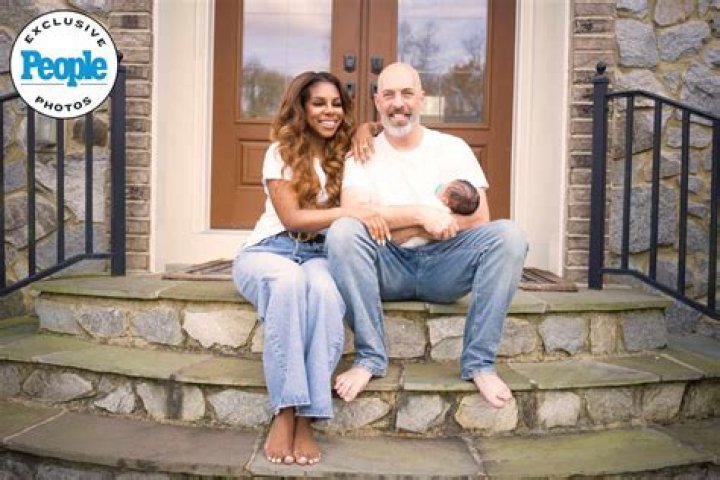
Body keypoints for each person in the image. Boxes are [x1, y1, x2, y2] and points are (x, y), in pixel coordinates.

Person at [326, 62, 528, 409]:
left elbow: (480, 217)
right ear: (377, 101)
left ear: (421, 98)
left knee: (509, 236)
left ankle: (480, 364)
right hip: (386, 264)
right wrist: (422, 215)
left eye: (407, 93)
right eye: (389, 94)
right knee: (343, 232)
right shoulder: (363, 152)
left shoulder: (452, 148)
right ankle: (370, 358)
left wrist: (408, 227)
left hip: (445, 266)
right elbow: (355, 212)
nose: (398, 103)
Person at [232, 71, 389, 466]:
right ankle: (285, 410)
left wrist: (366, 127)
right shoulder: (280, 151)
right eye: (319, 103)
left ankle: (308, 416)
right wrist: (350, 212)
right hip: (271, 249)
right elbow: (292, 219)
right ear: (301, 107)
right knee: (288, 283)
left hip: (319, 253)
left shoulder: (348, 151)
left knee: (324, 293)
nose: (329, 111)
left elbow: (391, 126)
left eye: (336, 104)